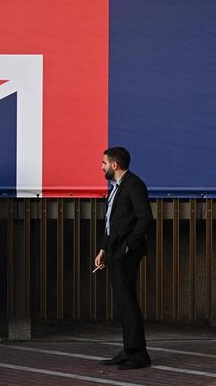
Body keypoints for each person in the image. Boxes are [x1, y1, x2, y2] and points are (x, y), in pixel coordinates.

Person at [94, 147, 153, 370]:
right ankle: (129, 349)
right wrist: (103, 249)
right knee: (123, 303)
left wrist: (129, 245)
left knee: (128, 302)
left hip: (126, 253)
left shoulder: (133, 185)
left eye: (104, 163)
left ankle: (139, 354)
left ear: (114, 165)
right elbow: (111, 222)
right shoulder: (117, 187)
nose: (102, 167)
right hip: (114, 251)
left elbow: (145, 218)